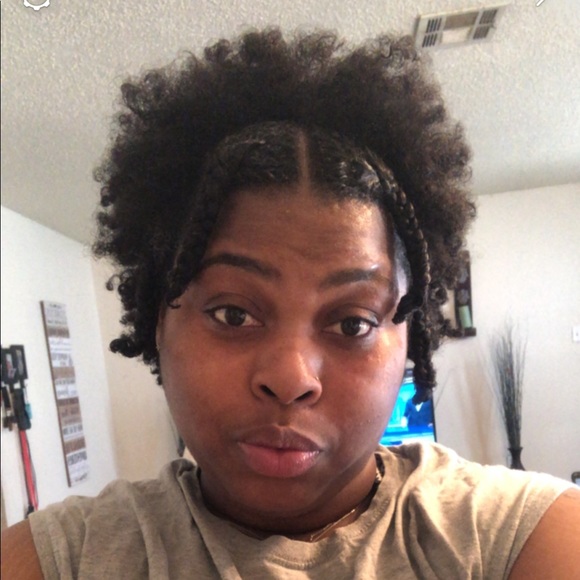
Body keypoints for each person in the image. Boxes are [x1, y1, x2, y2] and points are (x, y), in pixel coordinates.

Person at [2, 28, 578, 579]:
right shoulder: (66, 560)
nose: (289, 378)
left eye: (351, 323)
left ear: (410, 336)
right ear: (159, 321)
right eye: (233, 314)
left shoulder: (517, 539)